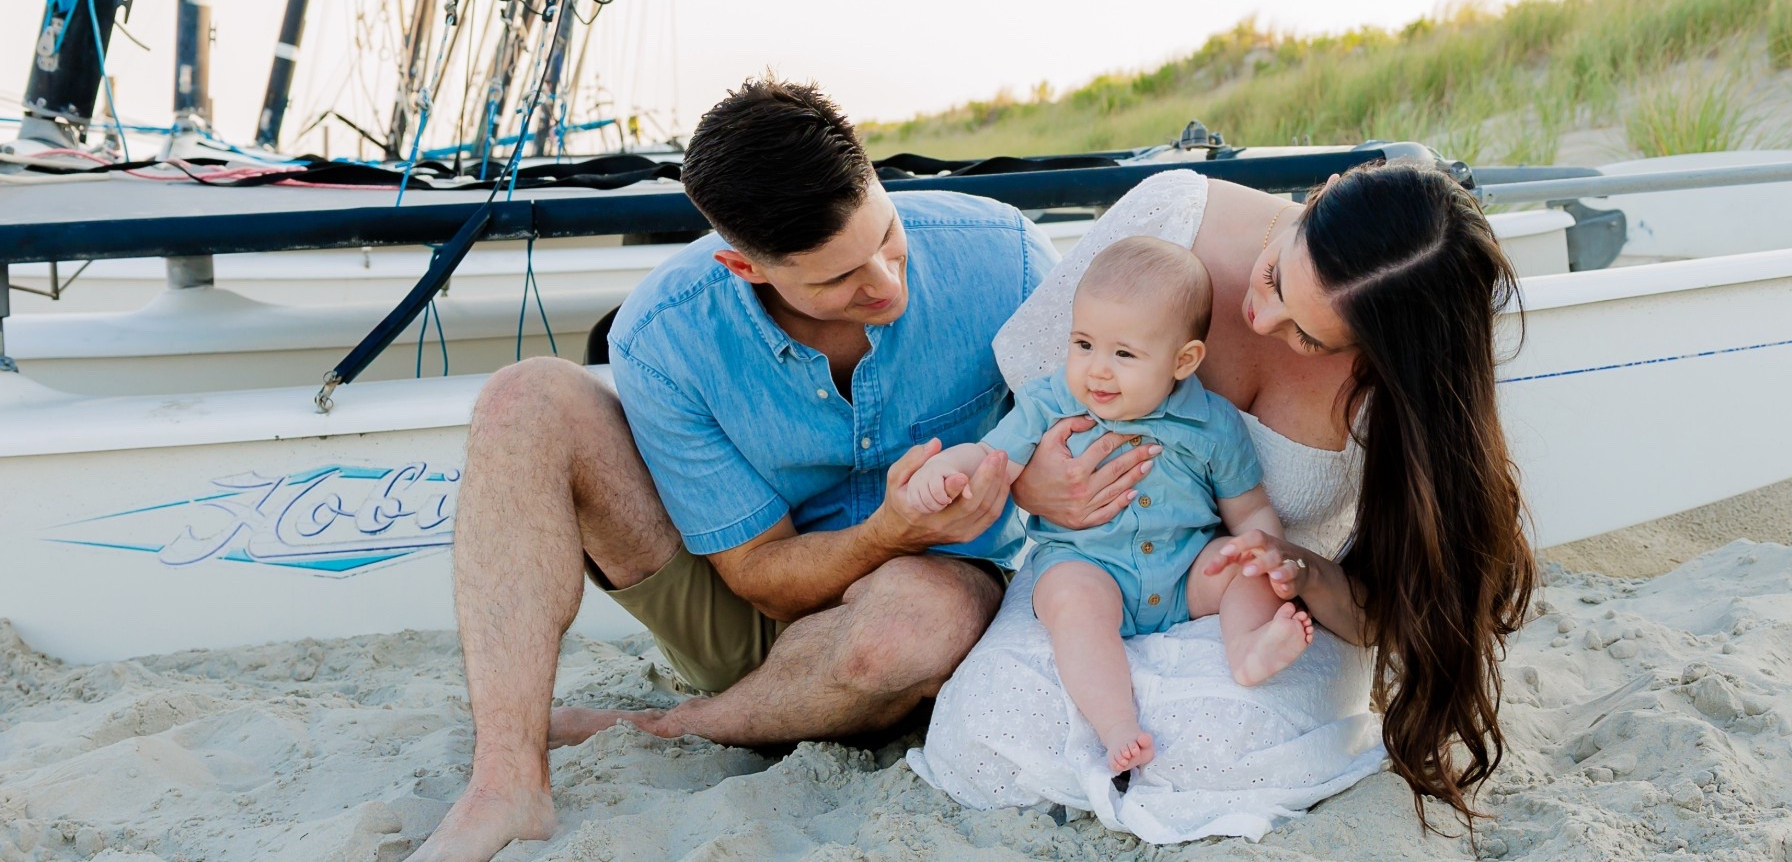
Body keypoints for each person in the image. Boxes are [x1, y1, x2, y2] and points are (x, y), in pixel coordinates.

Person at [411, 79, 1158, 862]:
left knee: (910, 625)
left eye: (888, 237)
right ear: (745, 266)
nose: (887, 284)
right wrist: (889, 529)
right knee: (523, 396)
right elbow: (758, 574)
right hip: (752, 609)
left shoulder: (1005, 256)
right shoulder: (662, 336)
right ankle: (506, 783)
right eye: (840, 279)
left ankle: (667, 726)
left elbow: (1097, 428)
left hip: (940, 602)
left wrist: (1029, 481)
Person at [910, 158, 1537, 846]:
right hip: (1089, 561)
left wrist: (1291, 567)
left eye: (1308, 335)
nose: (1260, 315)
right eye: (1275, 276)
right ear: (1320, 191)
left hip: (1255, 597)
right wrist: (1031, 485)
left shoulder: (1399, 397)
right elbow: (1025, 420)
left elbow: (1379, 609)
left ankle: (1204, 698)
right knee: (994, 714)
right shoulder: (1170, 218)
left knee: (1230, 732)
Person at [903, 236, 1316, 773]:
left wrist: (1264, 554)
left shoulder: (1213, 424)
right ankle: (1116, 722)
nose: (1097, 370)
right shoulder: (1053, 401)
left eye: (1123, 354)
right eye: (1083, 344)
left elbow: (1251, 510)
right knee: (1073, 603)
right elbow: (989, 455)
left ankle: (1248, 648)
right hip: (1087, 563)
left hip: (1184, 569)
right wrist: (945, 471)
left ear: (1183, 360)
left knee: (1246, 567)